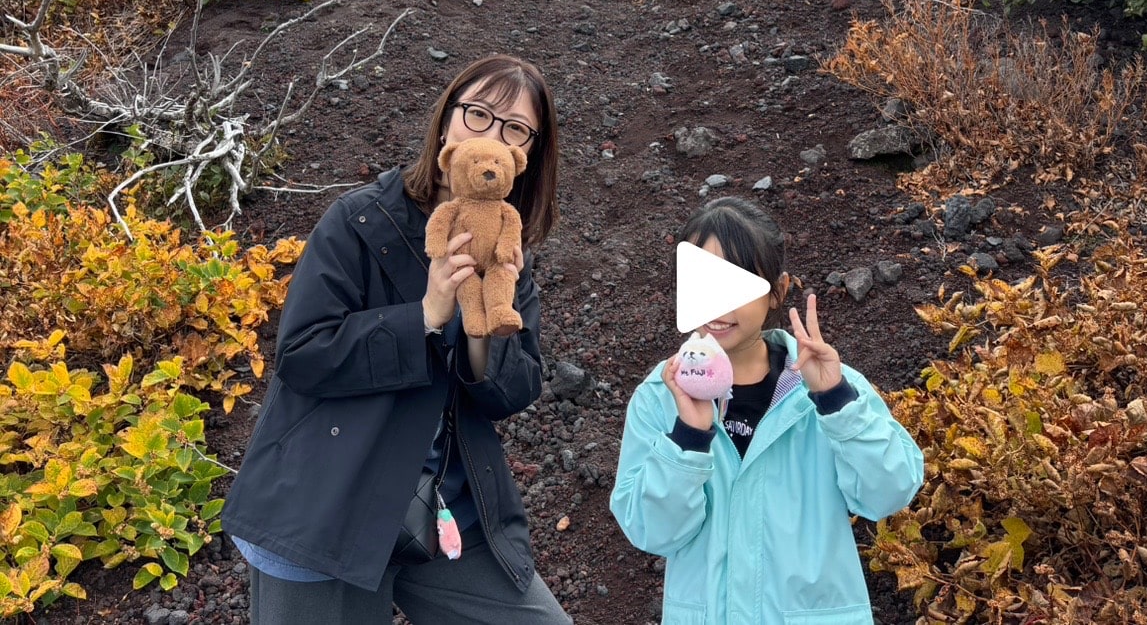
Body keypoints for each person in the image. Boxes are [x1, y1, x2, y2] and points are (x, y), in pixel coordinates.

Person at [221, 54, 572, 625]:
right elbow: (304, 354)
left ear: (526, 155)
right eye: (478, 114)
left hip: (440, 506)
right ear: (446, 123)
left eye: (515, 128)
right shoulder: (361, 221)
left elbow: (512, 390)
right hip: (329, 507)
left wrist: (480, 328)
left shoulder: (508, 255)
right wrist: (428, 313)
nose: (492, 134)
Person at [610, 196, 924, 624]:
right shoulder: (659, 396)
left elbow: (888, 493)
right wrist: (688, 438)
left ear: (776, 290)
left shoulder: (829, 388)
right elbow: (653, 532)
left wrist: (836, 402)